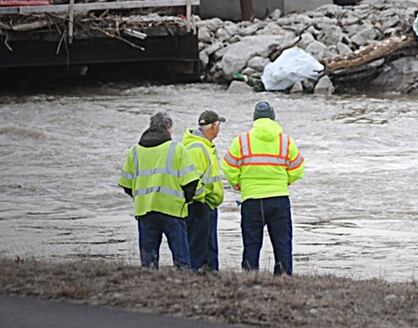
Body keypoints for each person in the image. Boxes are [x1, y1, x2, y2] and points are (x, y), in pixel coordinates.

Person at [221, 101, 304, 275]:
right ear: (273, 118)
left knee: (251, 244)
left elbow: (228, 166)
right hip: (279, 198)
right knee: (282, 243)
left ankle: (250, 276)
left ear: (254, 119)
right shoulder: (285, 141)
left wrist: (238, 184)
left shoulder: (242, 140)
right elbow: (298, 168)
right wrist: (285, 182)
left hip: (251, 199)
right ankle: (283, 278)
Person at [118, 112, 201, 269]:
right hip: (173, 210)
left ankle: (149, 287)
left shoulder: (134, 151)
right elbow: (191, 181)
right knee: (181, 260)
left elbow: (126, 185)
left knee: (148, 261)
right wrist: (186, 199)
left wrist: (140, 197)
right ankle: (185, 286)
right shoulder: (177, 149)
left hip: (145, 210)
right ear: (168, 127)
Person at [182, 110, 226, 271]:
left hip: (208, 204)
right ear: (214, 126)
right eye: (219, 125)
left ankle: (209, 272)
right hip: (200, 206)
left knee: (208, 245)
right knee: (198, 246)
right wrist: (200, 200)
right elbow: (193, 179)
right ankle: (196, 274)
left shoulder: (204, 145)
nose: (219, 129)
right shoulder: (197, 148)